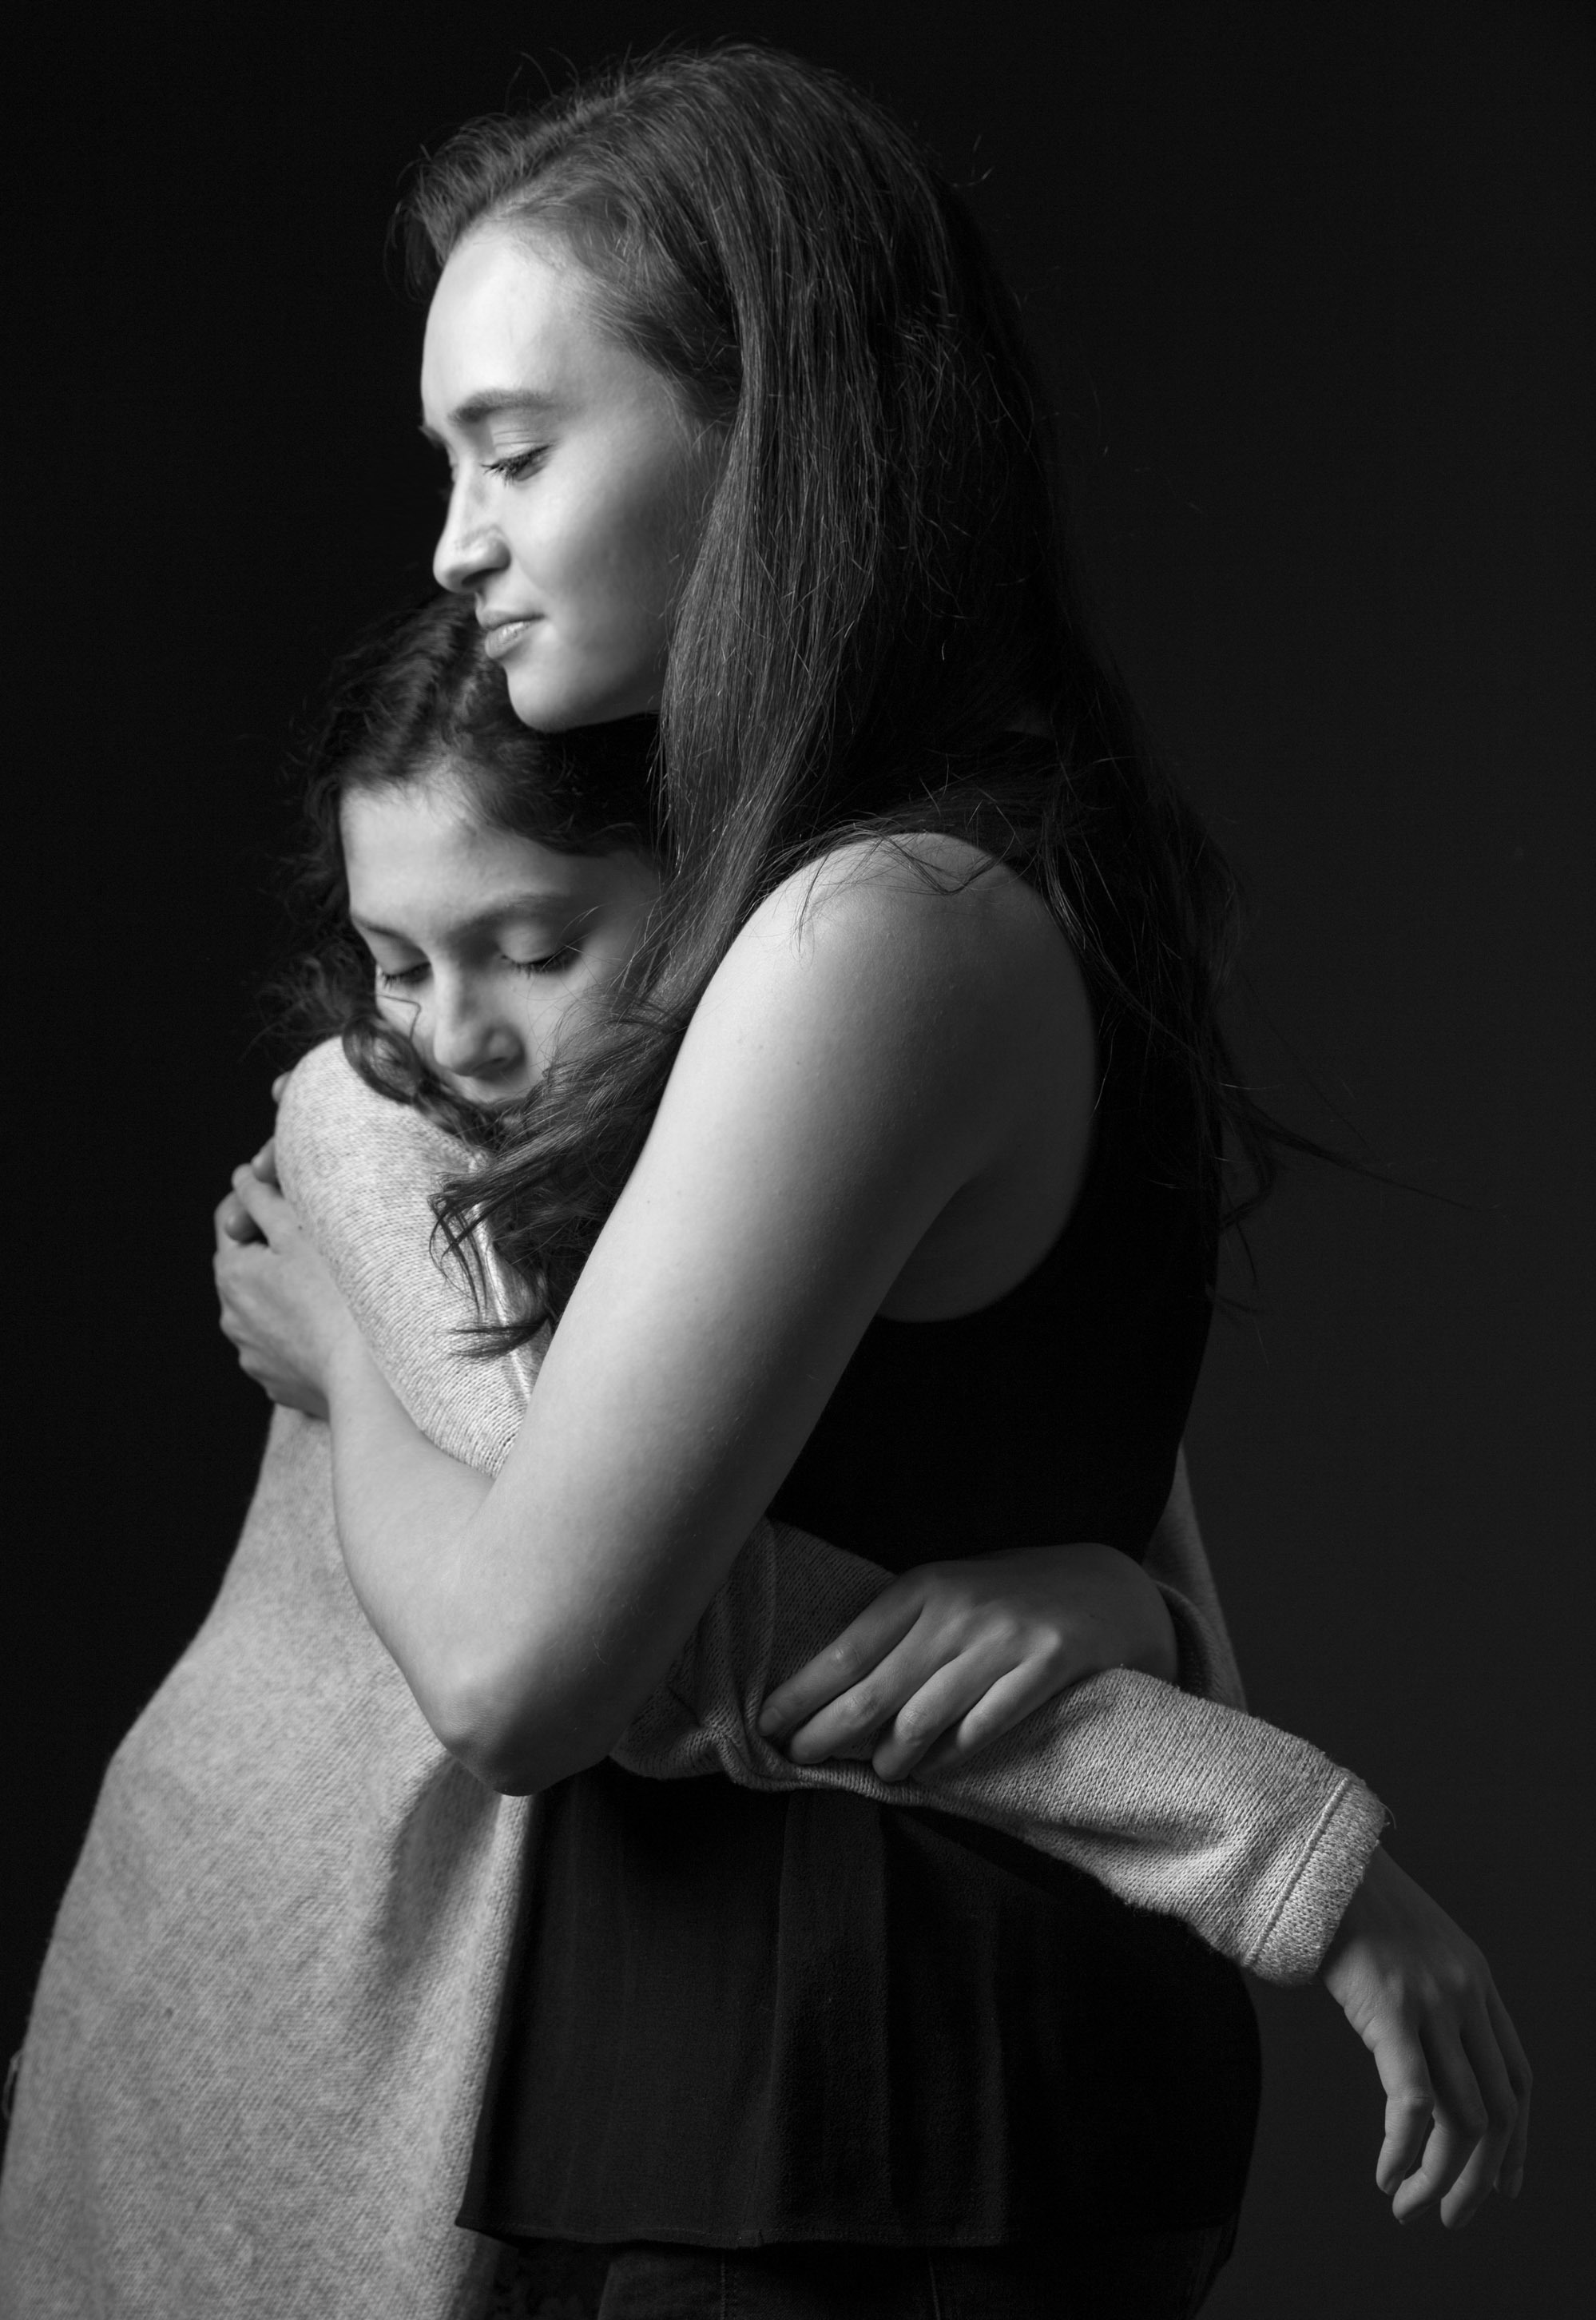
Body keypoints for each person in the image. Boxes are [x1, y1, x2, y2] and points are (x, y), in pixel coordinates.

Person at [205, 45, 1530, 2318]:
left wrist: (343, 1344)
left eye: (514, 449)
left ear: (768, 428)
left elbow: (527, 1666)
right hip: (853, 2101)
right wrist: (1138, 1607)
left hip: (841, 2122)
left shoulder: (867, 931)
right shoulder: (957, 870)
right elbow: (1017, 1414)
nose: (452, 540)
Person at [0, 590, 1384, 2320]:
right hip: (275, 1972)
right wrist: (1280, 1834)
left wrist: (1135, 1611)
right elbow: (633, 1647)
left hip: (567, 2019)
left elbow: (1103, 1490)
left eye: (528, 941)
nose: (452, 1032)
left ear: (706, 904)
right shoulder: (378, 1134)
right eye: (397, 956)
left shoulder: (774, 1145)